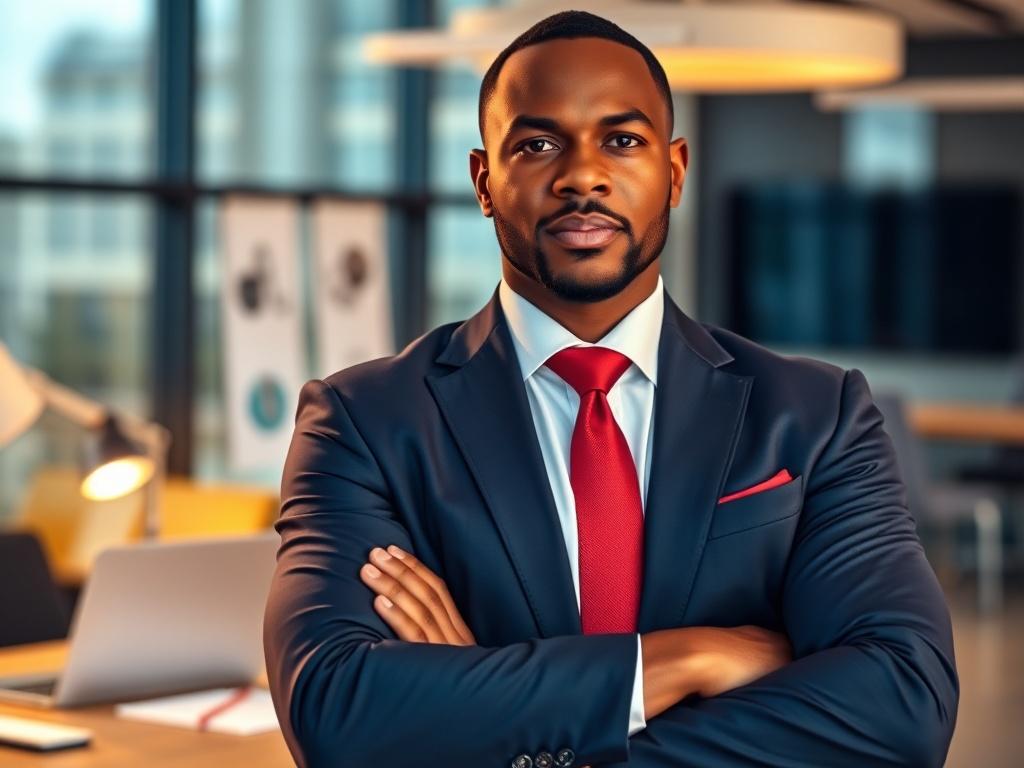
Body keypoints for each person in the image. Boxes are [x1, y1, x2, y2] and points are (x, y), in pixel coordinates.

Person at [263, 11, 958, 768]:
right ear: (484, 181)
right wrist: (684, 660)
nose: (581, 176)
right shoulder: (362, 422)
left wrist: (486, 717)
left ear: (675, 171)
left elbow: (904, 701)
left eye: (622, 141)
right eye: (536, 145)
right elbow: (335, 709)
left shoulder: (818, 418)